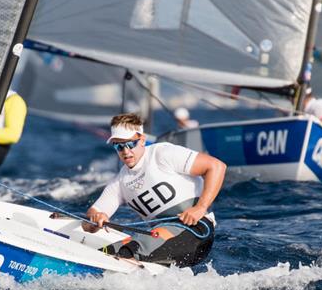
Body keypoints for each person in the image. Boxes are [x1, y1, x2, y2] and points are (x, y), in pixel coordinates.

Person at [82, 113, 226, 267]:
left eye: (130, 144)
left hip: (196, 230)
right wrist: (96, 219)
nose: (125, 151)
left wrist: (200, 207)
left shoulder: (162, 154)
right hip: (164, 238)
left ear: (142, 140)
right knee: (104, 252)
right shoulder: (119, 182)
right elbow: (88, 221)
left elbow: (216, 166)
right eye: (119, 146)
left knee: (128, 252)